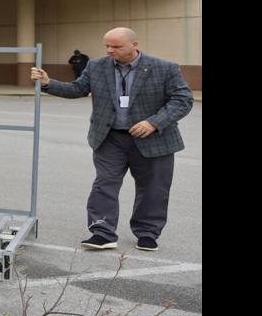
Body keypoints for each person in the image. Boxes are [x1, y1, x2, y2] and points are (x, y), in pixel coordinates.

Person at [30, 28, 192, 252]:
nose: (110, 51)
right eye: (107, 46)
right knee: (104, 184)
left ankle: (147, 233)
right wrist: (49, 83)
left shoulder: (165, 68)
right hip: (110, 138)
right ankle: (102, 232)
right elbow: (78, 89)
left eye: (116, 47)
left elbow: (182, 100)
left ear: (134, 44)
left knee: (153, 189)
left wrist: (154, 122)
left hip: (154, 139)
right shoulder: (96, 66)